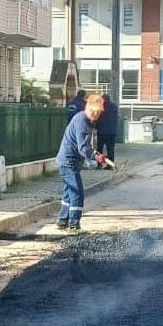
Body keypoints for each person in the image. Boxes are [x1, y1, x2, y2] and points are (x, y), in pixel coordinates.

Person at [56, 93, 110, 233]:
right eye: (94, 111)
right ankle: (74, 225)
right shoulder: (82, 122)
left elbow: (84, 146)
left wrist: (96, 154)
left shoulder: (84, 120)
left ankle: (62, 221)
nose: (96, 115)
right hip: (68, 162)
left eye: (98, 112)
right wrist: (95, 157)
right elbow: (83, 148)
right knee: (77, 193)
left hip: (68, 161)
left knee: (69, 193)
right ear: (88, 108)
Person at [95, 93, 119, 163]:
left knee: (100, 149)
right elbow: (116, 117)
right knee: (110, 149)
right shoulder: (114, 106)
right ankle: (110, 164)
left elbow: (98, 118)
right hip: (112, 132)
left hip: (102, 132)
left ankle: (99, 164)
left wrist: (96, 126)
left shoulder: (101, 107)